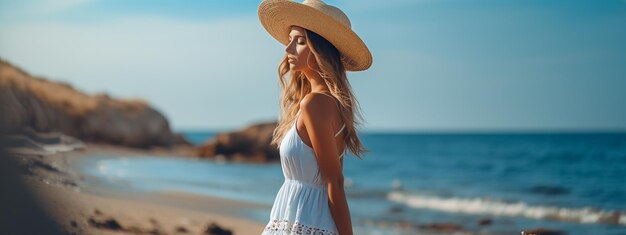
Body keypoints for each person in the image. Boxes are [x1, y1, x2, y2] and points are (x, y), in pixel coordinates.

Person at [258, 0, 373, 234]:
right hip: (300, 219)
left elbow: (335, 182)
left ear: (320, 49)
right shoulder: (321, 102)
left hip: (309, 222)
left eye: (300, 41)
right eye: (290, 40)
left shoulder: (316, 103)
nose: (288, 49)